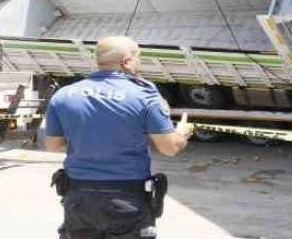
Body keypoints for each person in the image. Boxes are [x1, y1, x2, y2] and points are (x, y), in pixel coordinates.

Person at [44, 36, 195, 238]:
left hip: (78, 199)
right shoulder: (144, 96)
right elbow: (169, 148)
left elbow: (53, 145)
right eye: (138, 58)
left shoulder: (64, 95)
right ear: (126, 61)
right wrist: (182, 132)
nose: (140, 63)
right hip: (126, 198)